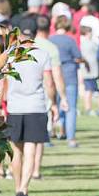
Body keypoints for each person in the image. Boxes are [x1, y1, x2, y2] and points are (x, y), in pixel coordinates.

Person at [1, 18, 57, 196]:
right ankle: (23, 190)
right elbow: (49, 82)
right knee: (31, 150)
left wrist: (0, 104)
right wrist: (54, 103)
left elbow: (3, 82)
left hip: (14, 107)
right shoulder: (42, 54)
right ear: (36, 33)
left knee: (16, 151)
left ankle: (17, 186)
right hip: (36, 106)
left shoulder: (10, 54)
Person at [32, 15, 66, 175]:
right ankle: (36, 171)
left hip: (19, 96)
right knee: (39, 137)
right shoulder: (51, 48)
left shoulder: (23, 46)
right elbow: (56, 76)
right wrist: (60, 99)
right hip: (42, 94)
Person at [49, 13, 83, 147]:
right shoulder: (70, 40)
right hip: (69, 76)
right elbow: (78, 56)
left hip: (53, 77)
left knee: (52, 106)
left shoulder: (50, 39)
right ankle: (71, 139)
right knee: (71, 108)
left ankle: (49, 135)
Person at [79, 15, 99, 115]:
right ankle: (88, 108)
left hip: (91, 71)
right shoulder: (86, 43)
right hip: (89, 71)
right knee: (89, 90)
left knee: (91, 89)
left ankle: (90, 108)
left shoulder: (87, 42)